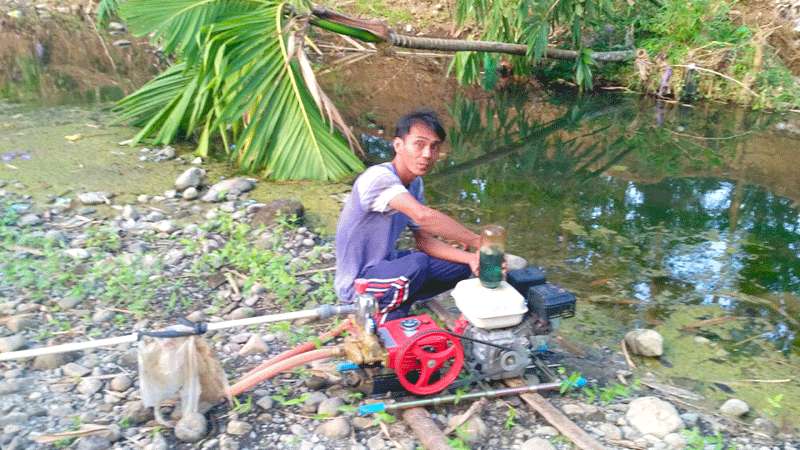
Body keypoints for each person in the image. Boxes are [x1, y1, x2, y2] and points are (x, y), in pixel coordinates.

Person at [335, 109, 481, 324]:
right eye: (419, 144)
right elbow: (422, 216)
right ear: (398, 145)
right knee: (417, 263)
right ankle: (383, 316)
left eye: (434, 147)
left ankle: (400, 300)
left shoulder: (415, 184)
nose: (427, 154)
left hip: (385, 268)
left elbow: (425, 240)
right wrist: (478, 241)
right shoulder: (378, 177)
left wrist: (472, 258)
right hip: (359, 284)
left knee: (459, 266)